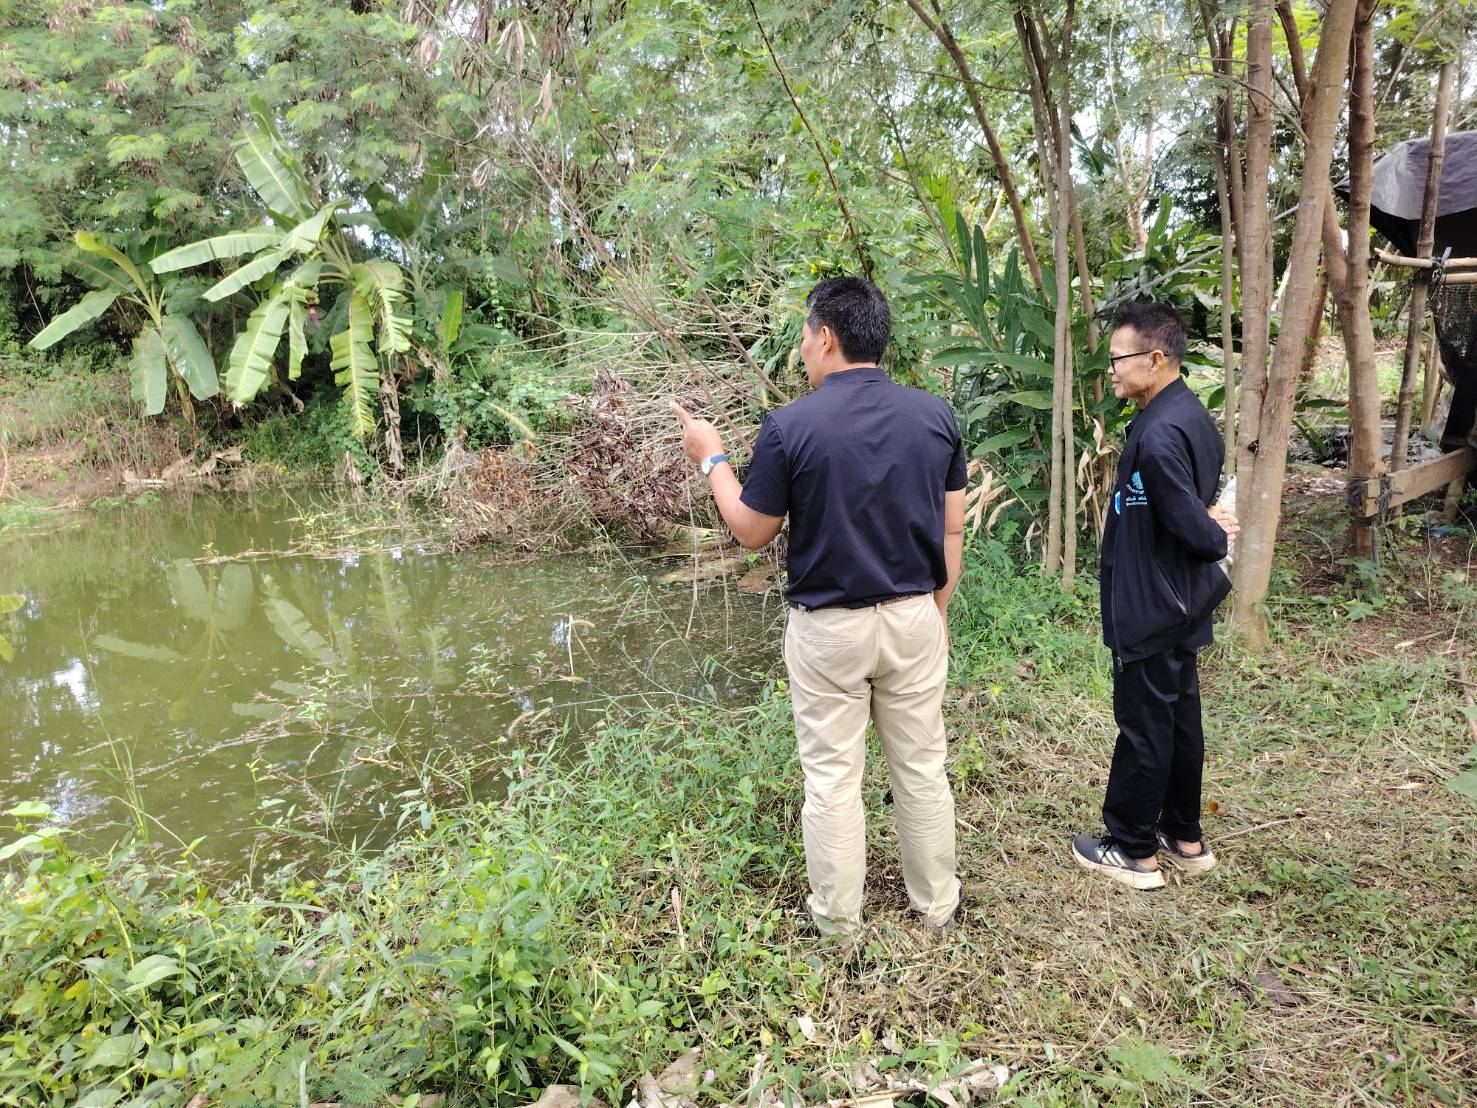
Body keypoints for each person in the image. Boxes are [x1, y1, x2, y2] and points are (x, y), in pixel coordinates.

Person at [670, 276, 965, 935]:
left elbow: (751, 531)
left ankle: (838, 921)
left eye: (804, 338)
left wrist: (710, 456)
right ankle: (936, 903)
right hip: (915, 613)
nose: (803, 351)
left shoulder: (791, 426)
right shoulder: (935, 416)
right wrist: (935, 609)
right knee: (920, 765)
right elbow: (951, 529)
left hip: (829, 631)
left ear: (825, 338)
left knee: (833, 778)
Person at [1072, 301, 1240, 890]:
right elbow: (1184, 504)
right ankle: (1184, 835)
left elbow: (1190, 525)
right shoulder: (1188, 413)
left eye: (1118, 358)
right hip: (1180, 599)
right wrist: (1201, 517)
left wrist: (1212, 529)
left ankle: (1134, 848)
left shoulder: (1160, 431)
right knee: (1178, 718)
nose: (1111, 369)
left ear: (1156, 358)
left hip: (1153, 602)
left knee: (1144, 723)